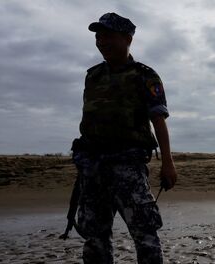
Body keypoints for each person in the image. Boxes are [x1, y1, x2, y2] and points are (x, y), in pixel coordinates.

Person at [72, 12, 177, 263]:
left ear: (127, 39)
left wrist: (168, 163)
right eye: (98, 36)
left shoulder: (144, 75)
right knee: (94, 236)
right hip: (93, 167)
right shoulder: (93, 75)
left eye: (109, 35)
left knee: (145, 233)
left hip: (127, 166)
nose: (102, 41)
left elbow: (158, 120)